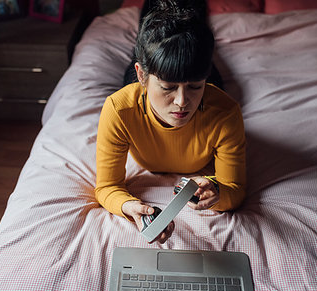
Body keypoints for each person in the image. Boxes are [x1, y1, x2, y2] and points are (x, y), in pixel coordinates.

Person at [95, 0, 246, 244]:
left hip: (204, 83)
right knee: (152, 27)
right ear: (142, 76)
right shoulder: (119, 109)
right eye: (168, 88)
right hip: (141, 86)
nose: (181, 102)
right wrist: (131, 207)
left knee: (194, 35)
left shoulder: (225, 112)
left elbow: (235, 189)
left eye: (195, 86)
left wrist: (217, 191)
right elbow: (106, 187)